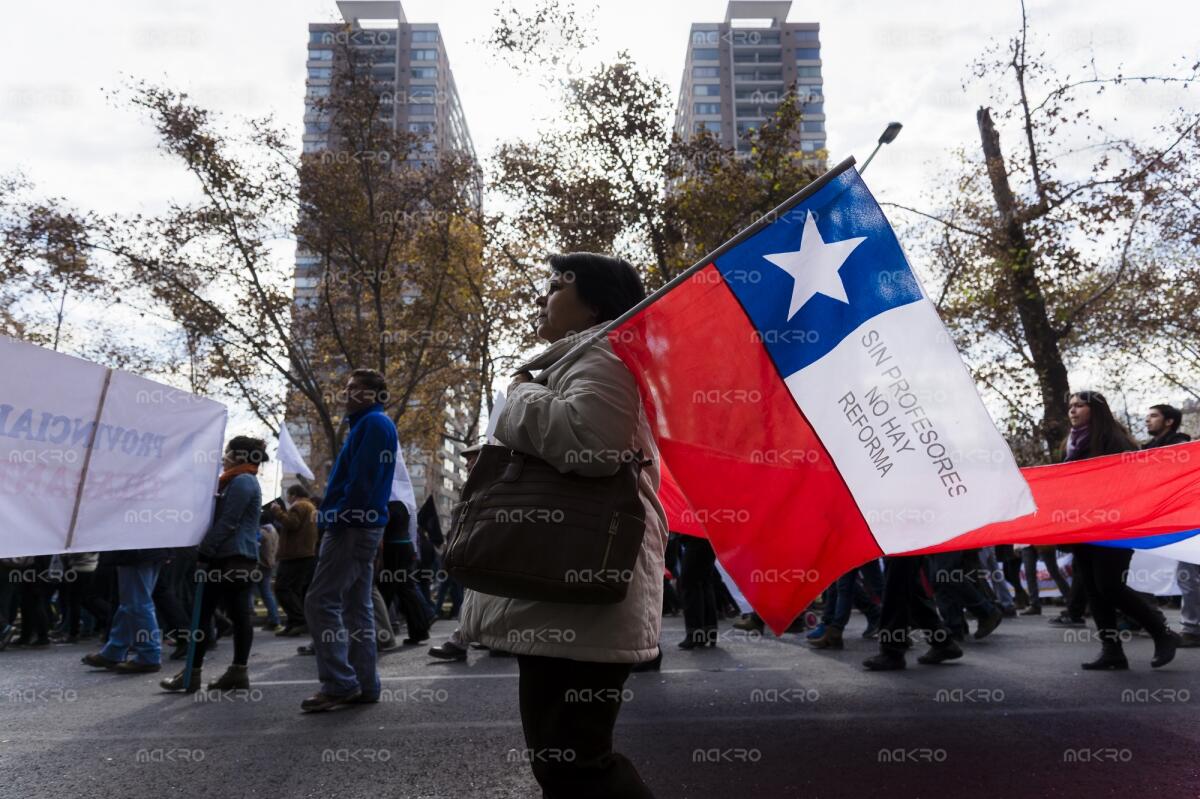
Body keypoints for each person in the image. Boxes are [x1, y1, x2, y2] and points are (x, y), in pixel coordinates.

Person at [459, 252, 663, 798]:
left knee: (574, 765)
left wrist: (520, 390)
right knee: (566, 763)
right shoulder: (579, 358)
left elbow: (592, 446)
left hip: (580, 596)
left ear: (595, 302)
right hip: (566, 597)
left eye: (556, 287)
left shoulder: (601, 355)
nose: (543, 297)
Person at [300, 368, 398, 712]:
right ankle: (364, 684)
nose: (347, 393)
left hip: (351, 526)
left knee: (320, 601)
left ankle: (340, 683)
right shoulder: (370, 425)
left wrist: (339, 518)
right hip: (361, 525)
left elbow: (362, 481)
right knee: (357, 606)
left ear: (375, 395)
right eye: (347, 387)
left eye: (356, 388)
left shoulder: (373, 425)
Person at [1066, 392, 1181, 670]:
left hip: (1113, 525)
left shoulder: (1114, 440)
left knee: (1109, 585)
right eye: (1070, 406)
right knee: (1093, 590)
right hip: (1082, 526)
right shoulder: (1070, 443)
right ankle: (1112, 651)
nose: (1073, 411)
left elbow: (1130, 482)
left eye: (1080, 405)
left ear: (1096, 410)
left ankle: (1162, 632)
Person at [161, 436, 266, 692]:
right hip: (238, 557)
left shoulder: (241, 481)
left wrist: (205, 551)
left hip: (228, 557)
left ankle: (193, 673)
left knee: (204, 614)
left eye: (228, 452)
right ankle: (235, 672)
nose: (224, 456)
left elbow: (228, 522)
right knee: (237, 615)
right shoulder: (239, 480)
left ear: (239, 456)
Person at [1142, 404, 1198, 647]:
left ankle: (1192, 628)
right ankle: (1147, 619)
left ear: (1169, 422)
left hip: (1185, 520)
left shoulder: (1181, 448)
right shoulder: (1145, 451)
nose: (1147, 420)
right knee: (1138, 573)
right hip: (1159, 521)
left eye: (1153, 416)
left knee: (1188, 574)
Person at [863, 555, 963, 671]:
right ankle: (943, 642)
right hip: (905, 541)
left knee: (897, 584)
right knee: (908, 587)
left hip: (902, 542)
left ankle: (892, 650)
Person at [81, 546, 171, 673]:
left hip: (135, 550)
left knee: (137, 604)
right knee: (131, 604)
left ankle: (149, 656)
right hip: (149, 549)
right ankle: (114, 650)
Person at [270, 485, 319, 636]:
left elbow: (292, 524)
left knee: (282, 588)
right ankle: (293, 623)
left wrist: (277, 511)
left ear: (294, 495)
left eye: (288, 495)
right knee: (294, 590)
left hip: (294, 554)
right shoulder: (311, 506)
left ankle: (299, 620)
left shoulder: (299, 506)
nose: (288, 499)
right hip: (305, 553)